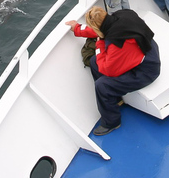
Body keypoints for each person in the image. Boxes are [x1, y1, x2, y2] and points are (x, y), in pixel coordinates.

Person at [66, 7, 161, 136]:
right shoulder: (121, 16)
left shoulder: (117, 43)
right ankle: (115, 98)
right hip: (145, 52)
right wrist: (77, 28)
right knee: (94, 62)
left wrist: (99, 45)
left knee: (102, 86)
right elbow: (101, 30)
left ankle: (111, 122)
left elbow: (108, 70)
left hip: (146, 70)